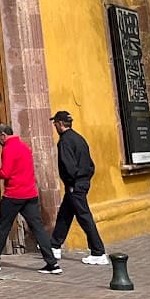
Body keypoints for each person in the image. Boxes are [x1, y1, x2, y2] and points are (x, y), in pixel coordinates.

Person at [0, 122, 61, 274]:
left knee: (3, 227)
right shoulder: (24, 147)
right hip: (30, 194)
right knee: (38, 229)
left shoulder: (8, 148)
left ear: (2, 135)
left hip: (14, 195)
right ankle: (52, 263)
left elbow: (5, 173)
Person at [47, 110, 108, 265]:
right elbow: (90, 165)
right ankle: (55, 245)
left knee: (84, 216)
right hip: (82, 182)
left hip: (75, 185)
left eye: (55, 124)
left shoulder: (65, 141)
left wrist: (71, 182)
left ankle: (98, 252)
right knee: (65, 214)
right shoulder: (79, 138)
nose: (55, 126)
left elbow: (68, 166)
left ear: (60, 124)